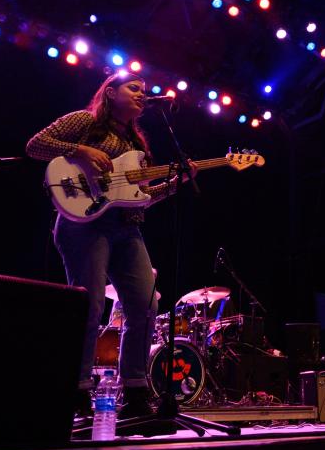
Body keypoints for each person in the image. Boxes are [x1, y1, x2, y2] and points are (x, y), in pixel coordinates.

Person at [26, 71, 198, 418]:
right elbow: (35, 146)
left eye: (144, 91)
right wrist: (81, 150)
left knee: (145, 307)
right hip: (84, 225)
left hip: (127, 229)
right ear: (110, 93)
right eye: (133, 87)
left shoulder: (137, 147)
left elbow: (140, 198)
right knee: (88, 308)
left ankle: (134, 391)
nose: (141, 94)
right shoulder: (84, 122)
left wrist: (176, 182)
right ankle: (76, 390)